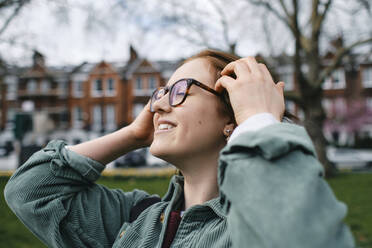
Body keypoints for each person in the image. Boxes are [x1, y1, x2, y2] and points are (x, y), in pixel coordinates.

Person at [4, 50, 354, 248]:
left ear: (231, 117)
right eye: (158, 94)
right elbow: (31, 192)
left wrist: (259, 121)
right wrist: (132, 134)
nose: (156, 106)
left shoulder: (245, 228)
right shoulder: (134, 218)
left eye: (180, 90)